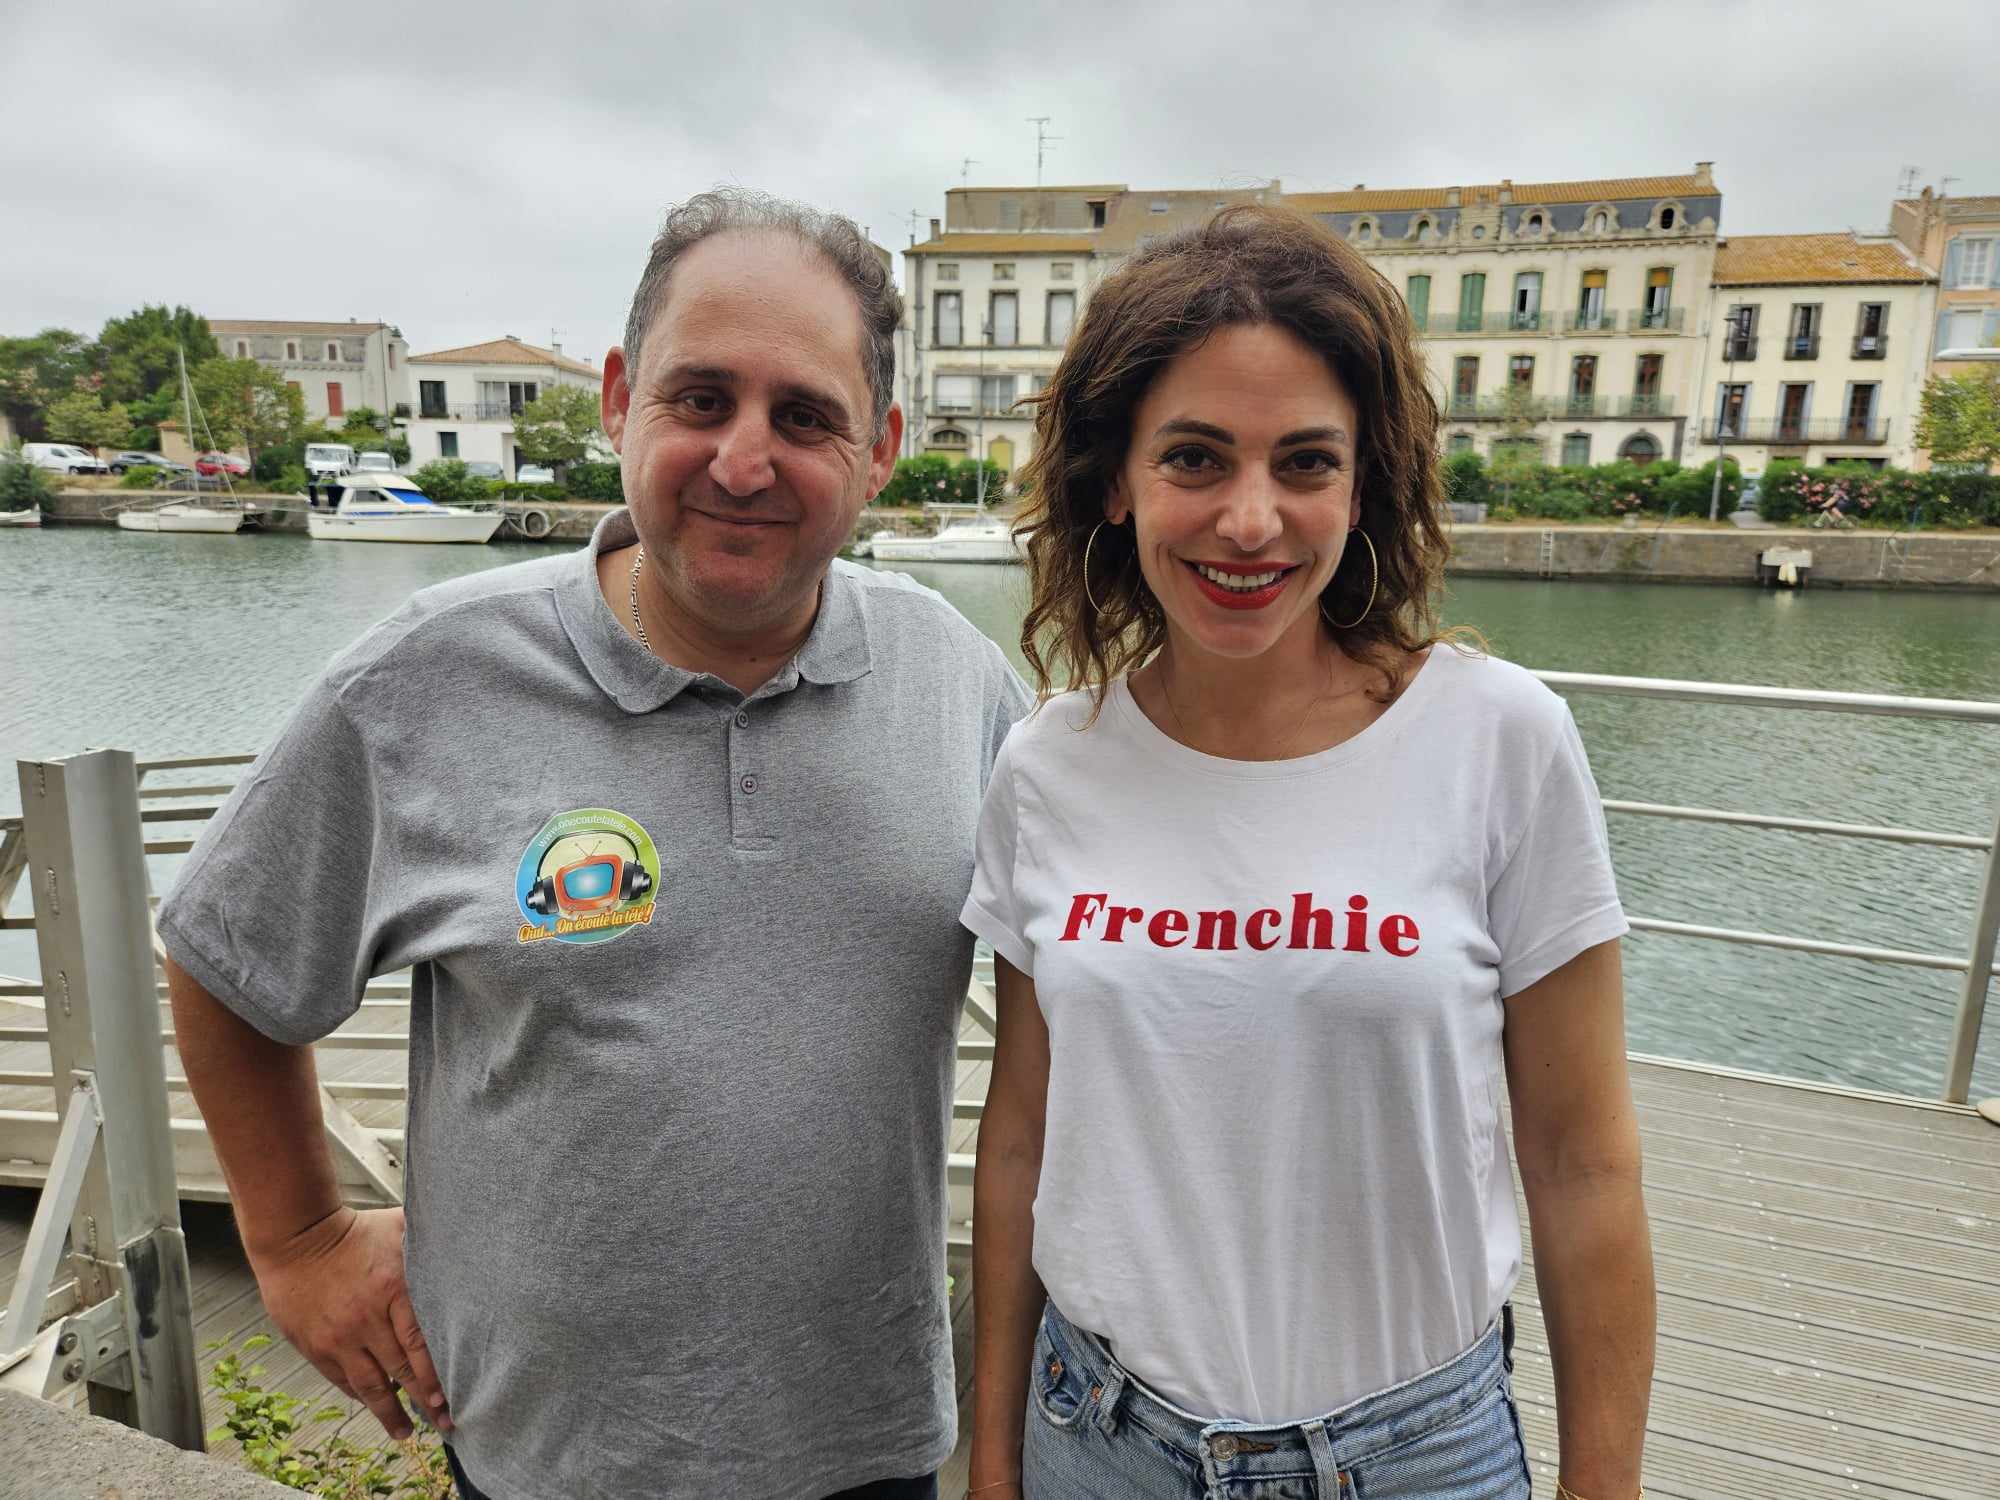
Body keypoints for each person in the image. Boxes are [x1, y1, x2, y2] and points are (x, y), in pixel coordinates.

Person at [159, 189, 1030, 1500]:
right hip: (547, 1460)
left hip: (871, 1447)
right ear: (621, 401)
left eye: (806, 417)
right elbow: (227, 957)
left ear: (882, 449)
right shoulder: (425, 679)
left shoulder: (959, 683)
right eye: (701, 399)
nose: (745, 460)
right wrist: (297, 1241)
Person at [962, 206, 1656, 1500]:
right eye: (1195, 457)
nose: (1250, 519)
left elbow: (1584, 1164)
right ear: (1116, 481)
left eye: (1305, 463)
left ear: (1362, 484)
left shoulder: (1500, 742)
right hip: (1101, 1442)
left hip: (1416, 1458)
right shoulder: (1050, 765)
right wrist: (994, 1466)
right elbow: (1021, 1137)